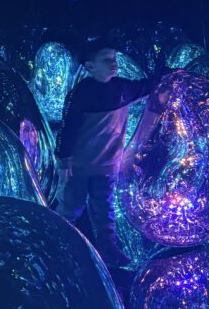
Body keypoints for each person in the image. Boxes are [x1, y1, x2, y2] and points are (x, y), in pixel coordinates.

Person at [55, 42, 168, 268]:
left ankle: (109, 252)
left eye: (114, 58)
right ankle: (57, 248)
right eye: (107, 59)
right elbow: (68, 127)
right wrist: (63, 158)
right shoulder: (82, 93)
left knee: (104, 213)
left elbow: (147, 86)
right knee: (70, 208)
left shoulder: (122, 88)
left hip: (107, 166)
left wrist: (167, 74)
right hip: (80, 165)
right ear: (90, 66)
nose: (114, 63)